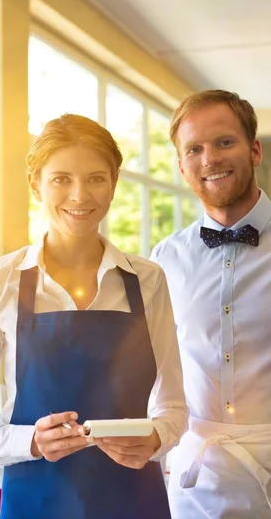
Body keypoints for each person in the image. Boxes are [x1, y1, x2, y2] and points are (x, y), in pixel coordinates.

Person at [0, 114, 188, 519]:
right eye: (61, 179)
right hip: (33, 502)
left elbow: (175, 407)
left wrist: (157, 437)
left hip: (134, 501)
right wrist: (32, 443)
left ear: (113, 184)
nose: (79, 195)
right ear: (35, 183)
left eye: (96, 178)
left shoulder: (147, 280)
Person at [151, 90, 271, 518]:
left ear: (254, 150)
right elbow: (153, 369)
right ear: (182, 167)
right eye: (194, 149)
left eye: (224, 142)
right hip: (195, 481)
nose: (210, 159)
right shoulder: (162, 261)